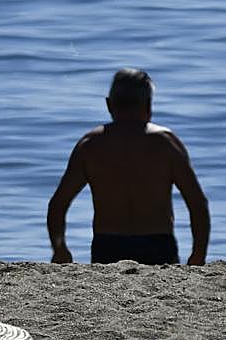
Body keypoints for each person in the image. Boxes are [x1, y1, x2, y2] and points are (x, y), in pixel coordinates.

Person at [47, 68, 210, 266]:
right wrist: (198, 254)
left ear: (109, 104)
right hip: (158, 245)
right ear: (148, 105)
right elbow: (197, 203)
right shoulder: (166, 144)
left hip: (107, 246)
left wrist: (59, 248)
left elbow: (59, 203)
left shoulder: (90, 145)